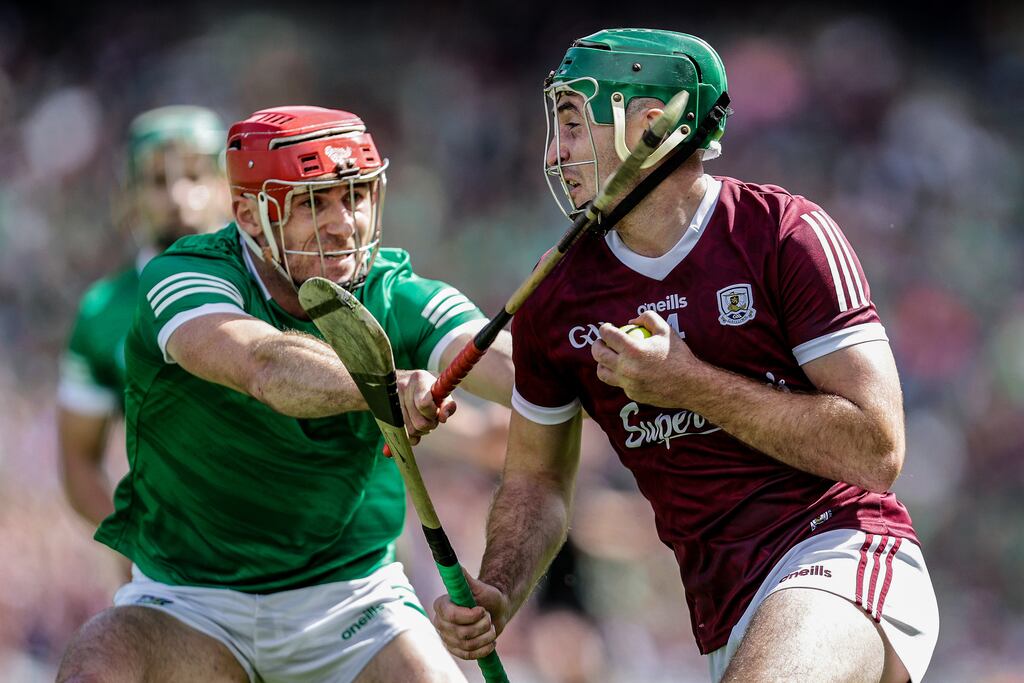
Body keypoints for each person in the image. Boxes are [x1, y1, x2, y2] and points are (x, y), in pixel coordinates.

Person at [431, 28, 938, 683]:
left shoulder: (782, 233)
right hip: (725, 611)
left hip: (841, 549)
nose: (556, 153)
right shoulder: (556, 293)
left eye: (574, 124)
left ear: (648, 124)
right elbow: (536, 482)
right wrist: (501, 586)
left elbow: (877, 449)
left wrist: (691, 383)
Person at [57, 105, 513, 683]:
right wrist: (383, 388)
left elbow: (503, 362)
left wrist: (604, 359)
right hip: (191, 600)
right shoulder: (182, 278)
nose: (343, 223)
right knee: (94, 665)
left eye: (355, 195)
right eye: (312, 202)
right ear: (248, 213)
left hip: (354, 601)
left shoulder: (396, 291)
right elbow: (263, 365)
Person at [57, 105, 230, 528]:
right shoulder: (103, 312)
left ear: (229, 187)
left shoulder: (275, 282)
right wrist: (130, 536)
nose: (177, 197)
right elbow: (78, 460)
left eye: (194, 176)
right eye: (157, 181)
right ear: (128, 196)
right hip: (179, 567)